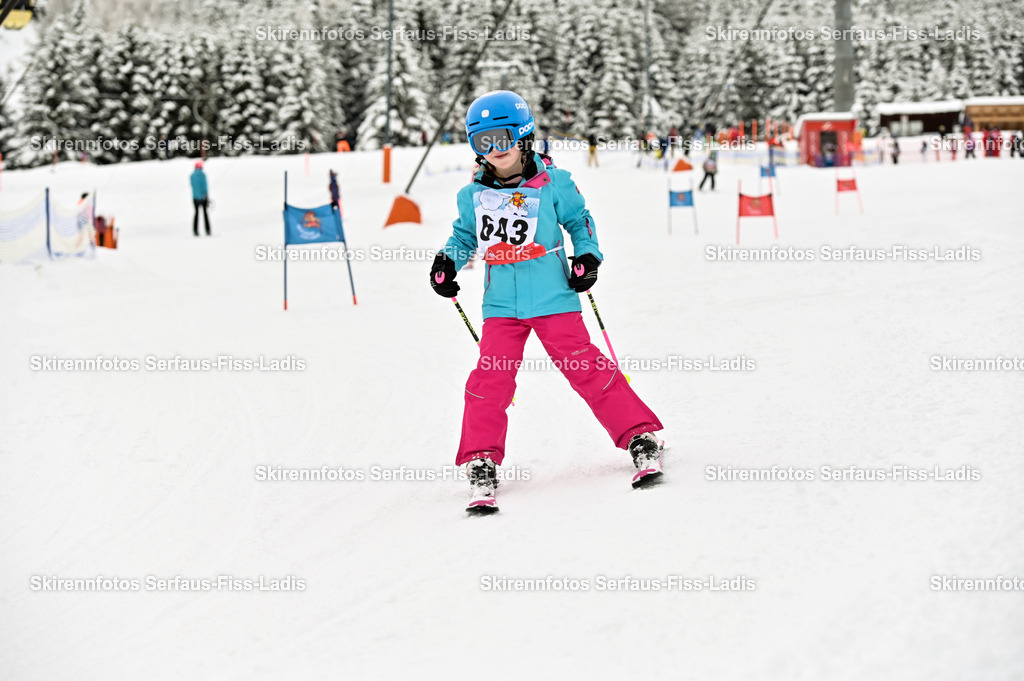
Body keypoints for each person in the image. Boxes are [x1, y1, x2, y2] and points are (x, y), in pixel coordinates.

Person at [428, 90, 664, 514]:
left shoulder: (555, 182)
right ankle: (481, 460)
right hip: (501, 305)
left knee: (585, 368)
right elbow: (464, 236)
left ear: (523, 135)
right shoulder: (473, 195)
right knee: (489, 379)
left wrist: (587, 255)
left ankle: (640, 434)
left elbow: (579, 220)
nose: (494, 151)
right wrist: (447, 261)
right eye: (482, 143)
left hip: (554, 297)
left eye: (501, 138)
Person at [190, 161, 211, 236]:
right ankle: (208, 230)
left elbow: (192, 185)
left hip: (195, 198)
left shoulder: (192, 175)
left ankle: (195, 230)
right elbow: (204, 186)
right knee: (205, 214)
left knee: (196, 214)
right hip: (203, 197)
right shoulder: (203, 175)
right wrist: (206, 195)